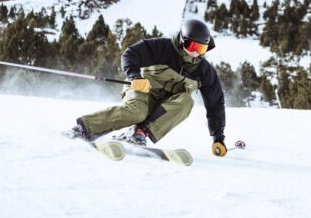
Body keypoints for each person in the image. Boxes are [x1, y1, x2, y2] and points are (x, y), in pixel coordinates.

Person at [66, 19, 227, 157]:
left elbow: (215, 104)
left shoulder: (205, 71)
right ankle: (83, 129)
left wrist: (218, 137)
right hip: (142, 90)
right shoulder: (163, 48)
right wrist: (135, 76)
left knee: (187, 102)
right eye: (192, 47)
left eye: (201, 50)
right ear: (182, 40)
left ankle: (139, 133)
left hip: (165, 105)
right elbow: (130, 54)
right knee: (136, 112)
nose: (195, 54)